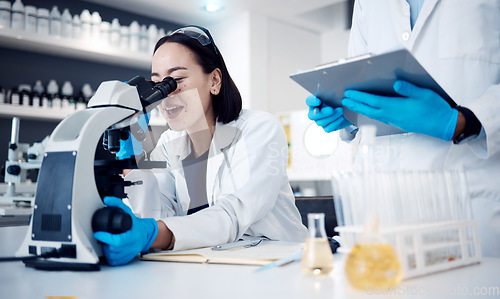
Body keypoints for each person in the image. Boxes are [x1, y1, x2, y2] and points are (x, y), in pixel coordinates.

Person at [94, 25, 308, 266]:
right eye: (157, 86)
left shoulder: (260, 129)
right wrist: (132, 162)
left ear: (214, 80)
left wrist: (152, 233)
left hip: (281, 268)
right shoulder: (168, 144)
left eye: (177, 80)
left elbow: (231, 216)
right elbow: (157, 218)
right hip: (211, 269)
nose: (166, 96)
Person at [307, 0, 500, 257]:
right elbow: (357, 78)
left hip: (471, 208)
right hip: (380, 214)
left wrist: (464, 121)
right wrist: (348, 112)